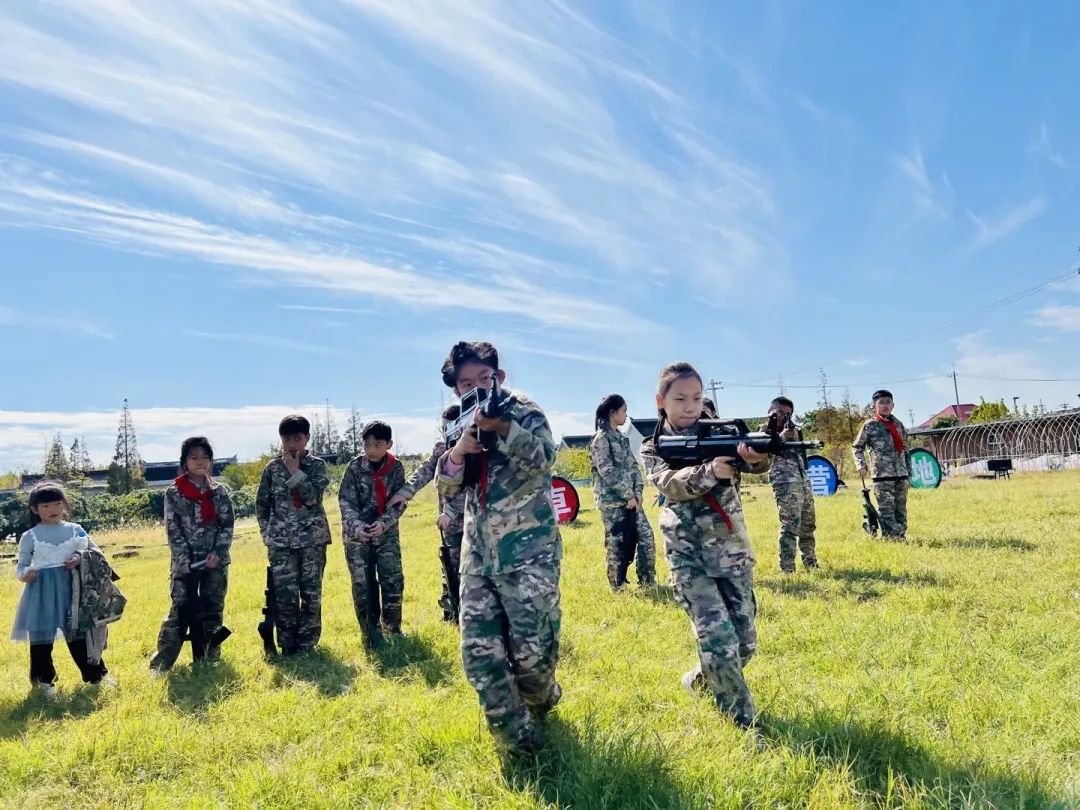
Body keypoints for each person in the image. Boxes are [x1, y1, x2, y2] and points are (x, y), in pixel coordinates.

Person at [434, 341, 561, 756]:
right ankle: (521, 749)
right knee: (479, 656)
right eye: (464, 383)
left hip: (529, 554)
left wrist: (502, 429)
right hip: (476, 557)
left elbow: (543, 460)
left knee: (532, 658)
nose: (473, 388)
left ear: (499, 377)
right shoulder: (456, 421)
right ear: (456, 389)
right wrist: (457, 454)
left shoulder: (522, 409)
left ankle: (543, 699)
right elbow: (450, 488)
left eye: (482, 379)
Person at [640, 362, 768, 730]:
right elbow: (668, 483)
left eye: (696, 398)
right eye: (680, 399)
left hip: (730, 548)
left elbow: (757, 463)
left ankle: (699, 679)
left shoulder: (722, 431)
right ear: (661, 401)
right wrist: (710, 471)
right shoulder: (653, 446)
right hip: (686, 552)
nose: (689, 406)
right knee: (718, 636)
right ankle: (744, 724)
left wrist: (757, 456)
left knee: (744, 643)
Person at [11, 483, 114, 695]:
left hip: (73, 589)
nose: (53, 509)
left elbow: (95, 552)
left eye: (57, 503)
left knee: (79, 635)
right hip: (41, 593)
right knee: (41, 640)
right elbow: (21, 565)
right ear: (34, 509)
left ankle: (96, 675)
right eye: (46, 505)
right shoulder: (29, 536)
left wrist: (78, 558)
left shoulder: (76, 529)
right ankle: (43, 683)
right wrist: (24, 575)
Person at [150, 437, 235, 674]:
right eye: (194, 457)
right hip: (185, 565)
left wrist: (218, 553)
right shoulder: (174, 493)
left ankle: (209, 658)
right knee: (179, 611)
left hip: (215, 563)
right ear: (185, 462)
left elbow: (227, 525)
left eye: (204, 457)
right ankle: (161, 665)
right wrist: (184, 558)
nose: (200, 462)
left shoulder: (219, 492)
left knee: (213, 609)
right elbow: (172, 529)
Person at [255, 415, 332, 656]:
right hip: (281, 543)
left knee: (311, 594)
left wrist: (294, 471)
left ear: (307, 439)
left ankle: (308, 644)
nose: (292, 444)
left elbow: (312, 498)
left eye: (297, 438)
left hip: (312, 541)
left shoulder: (318, 466)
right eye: (287, 438)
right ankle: (287, 645)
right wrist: (268, 534)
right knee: (285, 596)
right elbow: (262, 505)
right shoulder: (271, 468)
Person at [387, 405, 468, 623]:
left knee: (470, 572)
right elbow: (424, 471)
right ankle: (451, 613)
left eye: (452, 426)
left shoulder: (473, 448)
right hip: (450, 526)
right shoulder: (444, 450)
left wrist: (450, 511)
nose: (447, 431)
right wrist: (405, 492)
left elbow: (472, 486)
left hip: (474, 524)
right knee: (449, 568)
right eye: (444, 427)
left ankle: (471, 617)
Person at [339, 420, 407, 644]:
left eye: (377, 445)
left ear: (388, 444)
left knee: (392, 579)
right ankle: (370, 633)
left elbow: (399, 501)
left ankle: (392, 628)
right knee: (363, 584)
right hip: (357, 537)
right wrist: (358, 527)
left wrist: (384, 523)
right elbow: (345, 501)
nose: (371, 450)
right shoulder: (354, 467)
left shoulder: (396, 468)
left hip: (386, 534)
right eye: (367, 445)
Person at [589, 394, 656, 589]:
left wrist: (638, 493)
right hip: (612, 502)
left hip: (633, 501)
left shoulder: (621, 438)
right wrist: (627, 495)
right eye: (624, 410)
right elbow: (607, 471)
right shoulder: (600, 439)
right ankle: (617, 586)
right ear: (613, 412)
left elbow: (633, 467)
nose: (626, 415)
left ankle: (647, 581)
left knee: (646, 539)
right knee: (616, 545)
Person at [766, 397, 818, 574]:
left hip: (802, 479)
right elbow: (763, 451)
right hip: (784, 482)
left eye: (786, 413)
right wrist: (780, 437)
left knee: (808, 524)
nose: (781, 416)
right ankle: (787, 568)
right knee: (789, 526)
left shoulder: (794, 430)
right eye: (778, 412)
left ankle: (810, 561)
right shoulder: (763, 431)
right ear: (769, 410)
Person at [852, 390, 910, 539]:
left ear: (893, 405)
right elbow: (857, 447)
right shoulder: (870, 425)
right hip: (882, 475)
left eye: (888, 402)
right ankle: (891, 537)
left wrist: (909, 471)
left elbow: (906, 449)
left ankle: (900, 535)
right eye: (881, 402)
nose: (885, 405)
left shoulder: (898, 424)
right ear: (874, 406)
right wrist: (861, 464)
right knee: (886, 509)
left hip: (901, 474)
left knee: (901, 509)